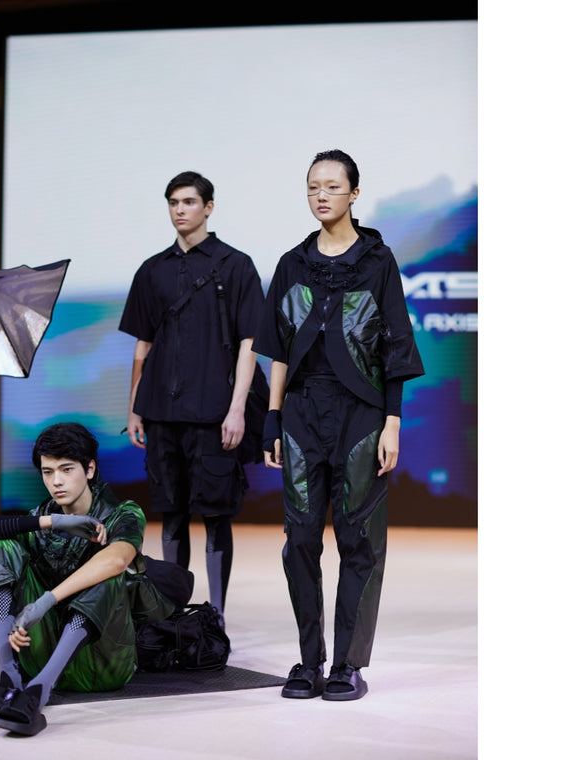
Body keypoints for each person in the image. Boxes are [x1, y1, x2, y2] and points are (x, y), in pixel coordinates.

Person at [253, 149, 425, 702]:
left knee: (358, 539)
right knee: (300, 539)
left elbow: (395, 346)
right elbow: (278, 351)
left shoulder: (378, 261)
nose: (321, 195)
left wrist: (392, 424)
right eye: (312, 187)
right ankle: (309, 661)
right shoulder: (291, 264)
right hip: (301, 415)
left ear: (354, 193)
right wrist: (272, 419)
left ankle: (348, 664)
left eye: (331, 186)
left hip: (362, 416)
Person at [0, 422, 187, 736]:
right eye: (47, 472)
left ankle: (38, 693)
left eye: (66, 469)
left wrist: (43, 603)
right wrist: (55, 521)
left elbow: (117, 560)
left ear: (90, 469)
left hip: (103, 664)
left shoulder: (123, 513)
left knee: (107, 572)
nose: (56, 481)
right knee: (0, 545)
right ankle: (9, 680)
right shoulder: (43, 515)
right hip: (39, 652)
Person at [119, 171, 264, 624]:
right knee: (171, 514)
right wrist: (134, 408)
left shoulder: (235, 265)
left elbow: (250, 342)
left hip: (214, 413)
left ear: (208, 207)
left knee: (216, 515)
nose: (180, 210)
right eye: (173, 202)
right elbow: (143, 344)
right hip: (161, 412)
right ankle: (172, 614)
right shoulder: (152, 270)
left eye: (188, 201)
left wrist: (237, 409)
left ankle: (216, 616)